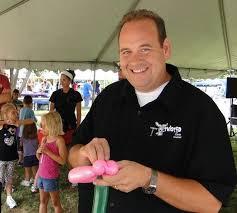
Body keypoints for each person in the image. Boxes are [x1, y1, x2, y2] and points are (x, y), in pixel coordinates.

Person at [68, 9, 237, 212]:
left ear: (165, 49)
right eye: (126, 51)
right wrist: (84, 154)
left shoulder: (201, 110)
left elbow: (211, 201)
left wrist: (149, 179)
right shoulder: (108, 97)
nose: (134, 60)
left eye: (145, 49)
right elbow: (73, 154)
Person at [0, 103, 34, 209]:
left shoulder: (16, 124)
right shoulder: (2, 125)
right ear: (5, 114)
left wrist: (17, 122)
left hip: (11, 158)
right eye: (13, 112)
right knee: (0, 179)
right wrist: (5, 121)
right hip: (0, 159)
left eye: (16, 112)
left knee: (9, 179)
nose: (16, 114)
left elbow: (31, 121)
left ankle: (9, 197)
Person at [36, 111, 67, 213]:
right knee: (42, 201)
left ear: (51, 126)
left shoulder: (59, 141)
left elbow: (62, 161)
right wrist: (38, 153)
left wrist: (48, 152)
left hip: (51, 177)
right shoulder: (44, 139)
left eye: (43, 125)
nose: (40, 127)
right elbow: (40, 159)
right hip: (41, 175)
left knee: (55, 203)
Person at [49, 69, 82, 145]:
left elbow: (79, 113)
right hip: (57, 125)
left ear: (70, 81)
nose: (61, 82)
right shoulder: (55, 94)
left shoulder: (76, 94)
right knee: (58, 147)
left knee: (70, 146)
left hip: (71, 125)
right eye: (60, 80)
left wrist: (78, 127)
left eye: (64, 80)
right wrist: (50, 124)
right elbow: (51, 112)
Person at [20, 123, 39, 190]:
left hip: (26, 157)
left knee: (27, 172)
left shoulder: (23, 137)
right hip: (35, 156)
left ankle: (27, 181)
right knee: (35, 172)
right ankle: (35, 182)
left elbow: (20, 146)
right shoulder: (37, 136)